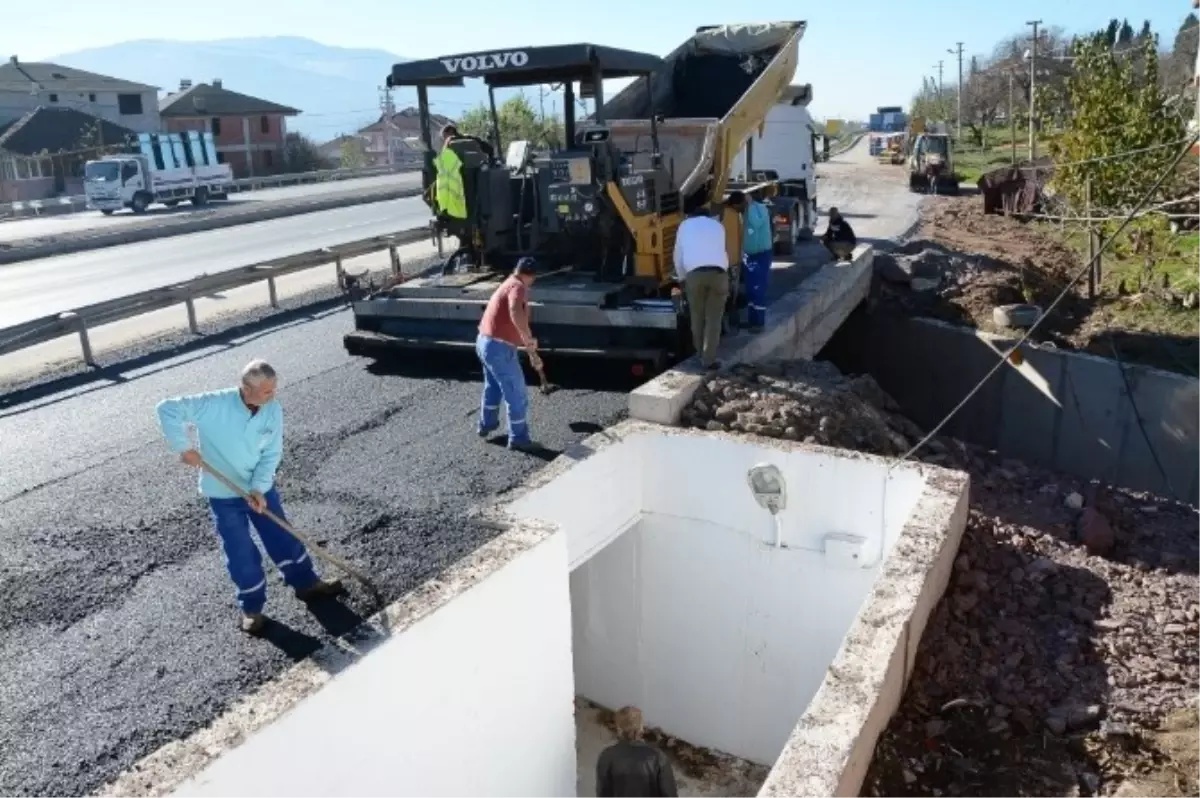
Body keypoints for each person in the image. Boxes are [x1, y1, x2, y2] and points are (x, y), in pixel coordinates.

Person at [156, 360, 343, 635]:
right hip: (223, 494)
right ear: (246, 388)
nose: (273, 395)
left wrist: (259, 488)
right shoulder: (213, 404)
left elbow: (271, 453)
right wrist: (183, 447)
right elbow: (167, 408)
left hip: (260, 489)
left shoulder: (273, 409)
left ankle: (306, 583)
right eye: (267, 391)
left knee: (282, 535)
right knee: (240, 550)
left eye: (274, 389)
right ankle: (251, 608)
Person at [476, 258, 540, 451]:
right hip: (499, 348)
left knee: (493, 387)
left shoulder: (507, 282)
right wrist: (527, 338)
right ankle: (519, 438)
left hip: (484, 342)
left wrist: (524, 342)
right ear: (531, 276)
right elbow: (514, 311)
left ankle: (486, 424)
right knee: (516, 393)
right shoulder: (518, 287)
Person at [673, 197, 730, 370]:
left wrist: (682, 278)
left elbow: (678, 255)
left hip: (694, 274)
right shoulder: (718, 226)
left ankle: (699, 354)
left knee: (697, 315)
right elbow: (723, 250)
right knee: (714, 318)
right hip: (719, 273)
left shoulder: (684, 226)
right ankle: (709, 359)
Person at [596, 706, 678, 798]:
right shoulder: (658, 758)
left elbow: (603, 794)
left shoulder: (606, 756)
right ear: (641, 727)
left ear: (619, 728)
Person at [740, 187, 774, 332]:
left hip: (761, 254)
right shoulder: (746, 211)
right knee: (750, 289)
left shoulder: (760, 209)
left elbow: (756, 223)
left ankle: (759, 322)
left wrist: (750, 204)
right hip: (749, 255)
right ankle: (752, 320)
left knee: (758, 288)